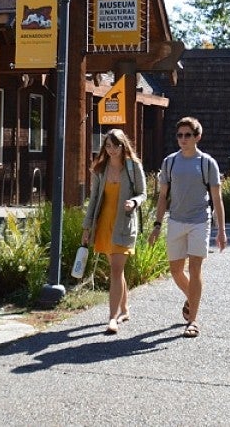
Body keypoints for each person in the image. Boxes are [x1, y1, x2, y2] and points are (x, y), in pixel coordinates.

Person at [150, 116, 227, 338]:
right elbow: (163, 196)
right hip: (175, 220)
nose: (183, 139)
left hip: (199, 222)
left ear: (197, 137)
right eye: (180, 135)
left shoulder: (207, 162)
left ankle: (193, 320)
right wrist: (157, 224)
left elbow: (217, 198)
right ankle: (193, 297)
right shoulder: (170, 162)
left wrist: (221, 230)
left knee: (195, 270)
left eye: (188, 135)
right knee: (175, 270)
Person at [81, 128, 146, 334]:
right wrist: (87, 226)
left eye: (115, 145)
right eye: (108, 146)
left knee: (115, 271)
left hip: (124, 224)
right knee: (118, 271)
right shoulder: (101, 168)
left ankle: (112, 318)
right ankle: (125, 309)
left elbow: (143, 193)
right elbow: (93, 201)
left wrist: (134, 202)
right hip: (104, 224)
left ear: (123, 145)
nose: (111, 150)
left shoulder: (133, 166)